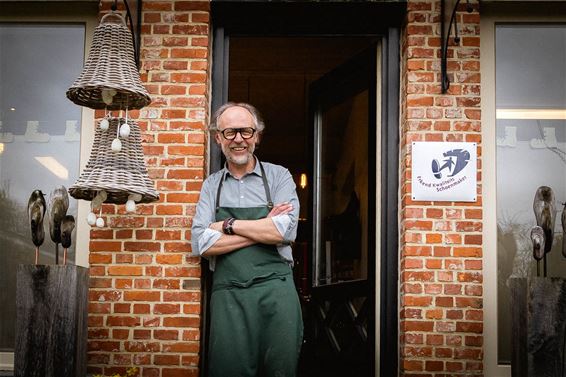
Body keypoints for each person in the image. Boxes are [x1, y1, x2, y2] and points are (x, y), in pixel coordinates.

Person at [191, 102, 303, 377]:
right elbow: (201, 244)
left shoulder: (279, 176)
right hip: (228, 296)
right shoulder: (212, 185)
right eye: (230, 132)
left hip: (276, 290)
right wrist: (263, 229)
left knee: (281, 369)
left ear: (257, 136)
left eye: (246, 131)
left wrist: (228, 225)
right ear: (218, 138)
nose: (238, 139)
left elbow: (284, 232)